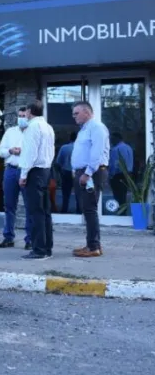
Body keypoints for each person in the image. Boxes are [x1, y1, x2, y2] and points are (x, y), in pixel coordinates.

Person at [70, 101, 109, 258]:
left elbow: (96, 154)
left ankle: (93, 247)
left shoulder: (97, 127)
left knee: (90, 210)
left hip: (92, 173)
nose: (74, 117)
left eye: (76, 113)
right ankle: (93, 244)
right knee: (87, 210)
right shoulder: (84, 130)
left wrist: (87, 174)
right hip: (83, 173)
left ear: (87, 112)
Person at [18, 100, 56, 260]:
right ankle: (47, 247)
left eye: (25, 112)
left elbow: (30, 153)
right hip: (45, 170)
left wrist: (23, 174)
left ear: (29, 111)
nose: (24, 115)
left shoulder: (32, 127)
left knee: (35, 212)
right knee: (45, 211)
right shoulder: (48, 126)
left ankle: (38, 249)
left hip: (34, 172)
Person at [0, 106, 33, 249]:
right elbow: (1, 151)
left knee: (29, 206)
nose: (22, 118)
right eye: (20, 115)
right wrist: (10, 150)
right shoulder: (10, 132)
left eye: (24, 115)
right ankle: (8, 237)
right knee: (9, 205)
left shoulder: (33, 132)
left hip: (26, 171)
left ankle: (29, 239)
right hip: (10, 171)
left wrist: (23, 152)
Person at [54, 132, 78, 213]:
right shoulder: (81, 148)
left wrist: (60, 173)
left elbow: (58, 162)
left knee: (66, 194)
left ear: (70, 138)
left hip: (66, 172)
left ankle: (64, 211)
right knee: (79, 194)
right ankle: (79, 211)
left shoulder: (64, 148)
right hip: (77, 172)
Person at [108, 132, 133, 207]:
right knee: (123, 196)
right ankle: (123, 212)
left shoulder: (116, 149)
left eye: (112, 139)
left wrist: (111, 176)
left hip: (118, 175)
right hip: (127, 175)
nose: (111, 141)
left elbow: (115, 164)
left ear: (117, 138)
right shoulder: (129, 147)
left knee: (118, 197)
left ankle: (120, 213)